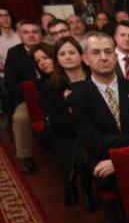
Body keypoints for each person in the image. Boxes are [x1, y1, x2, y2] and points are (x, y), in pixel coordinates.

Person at [68, 32, 129, 223]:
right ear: (85, 59)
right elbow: (94, 141)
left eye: (108, 52)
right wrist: (119, 156)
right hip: (102, 159)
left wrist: (120, 159)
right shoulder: (79, 96)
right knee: (125, 178)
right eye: (96, 53)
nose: (103, 58)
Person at [35, 37, 91, 209]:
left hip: (98, 128)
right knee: (81, 152)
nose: (68, 57)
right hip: (69, 134)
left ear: (81, 55)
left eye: (72, 52)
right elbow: (57, 121)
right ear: (57, 59)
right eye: (62, 54)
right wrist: (72, 109)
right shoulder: (51, 85)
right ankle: (86, 187)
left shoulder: (94, 77)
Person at [4, 19, 42, 173]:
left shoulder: (50, 49)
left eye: (35, 32)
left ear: (41, 34)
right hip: (27, 99)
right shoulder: (14, 53)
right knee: (20, 118)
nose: (31, 35)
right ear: (20, 35)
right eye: (26, 32)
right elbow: (10, 83)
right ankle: (26, 157)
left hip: (52, 95)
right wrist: (30, 94)